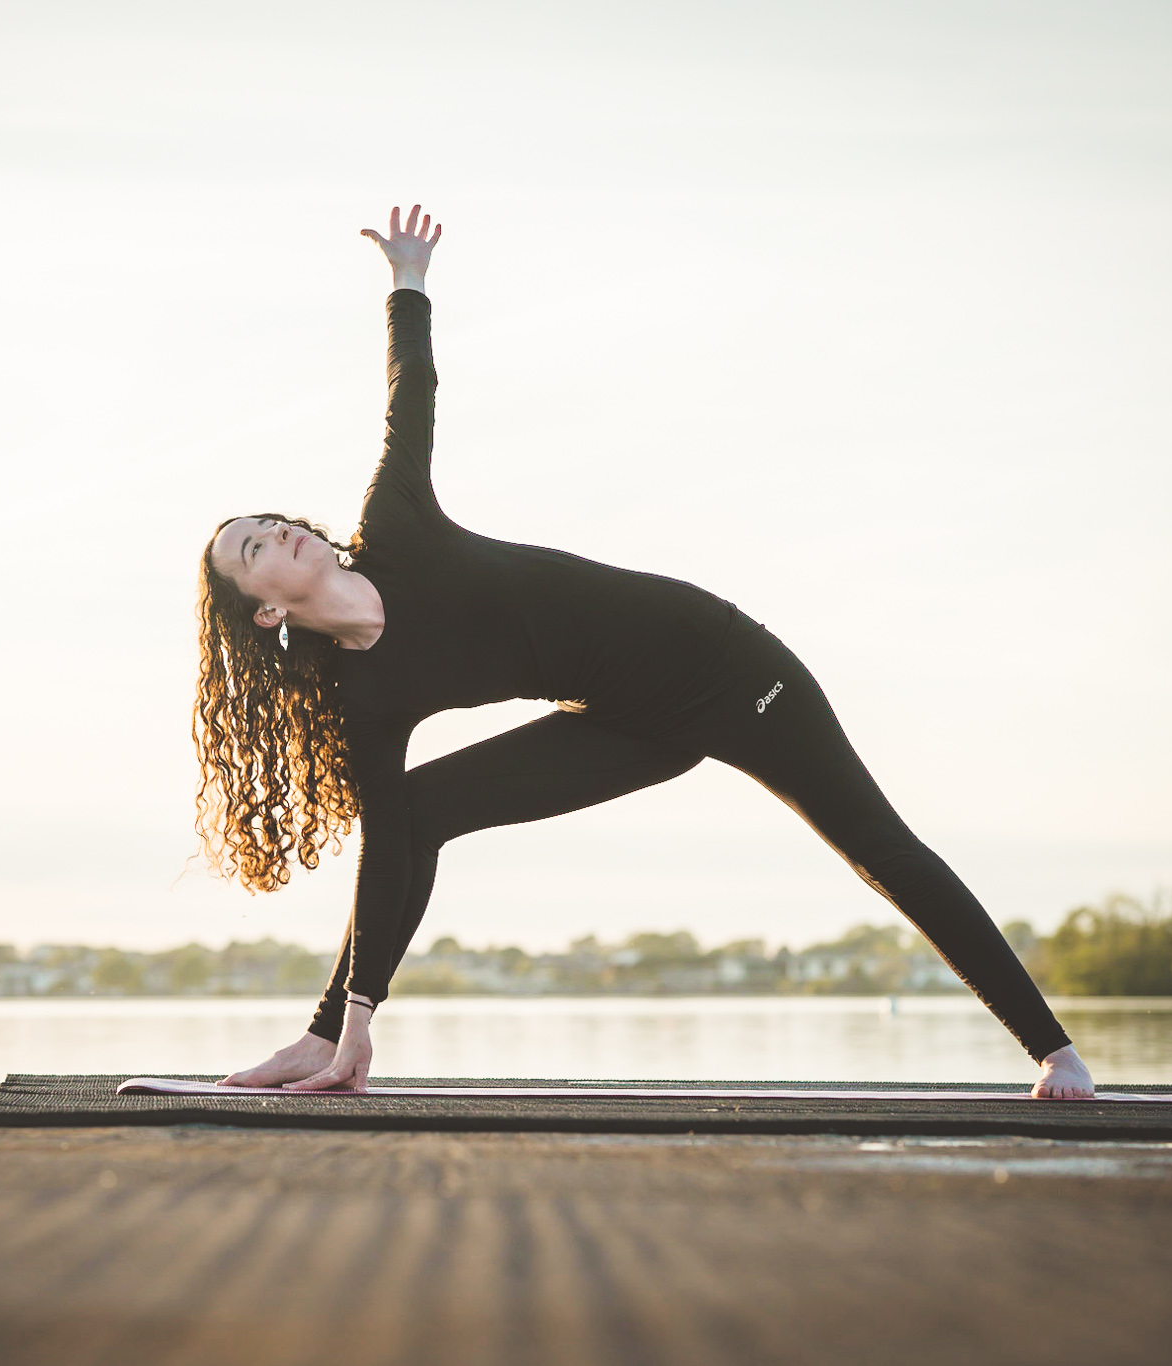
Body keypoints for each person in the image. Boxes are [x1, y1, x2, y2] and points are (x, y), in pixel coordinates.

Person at [194, 205, 1096, 1100]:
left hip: (734, 672)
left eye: (270, 522)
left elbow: (410, 399)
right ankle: (318, 1044)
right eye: (254, 548)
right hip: (630, 725)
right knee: (419, 810)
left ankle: (1054, 1051)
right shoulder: (365, 695)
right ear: (266, 610)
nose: (277, 532)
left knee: (876, 847)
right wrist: (352, 1024)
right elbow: (389, 844)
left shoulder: (397, 527)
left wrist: (408, 282)